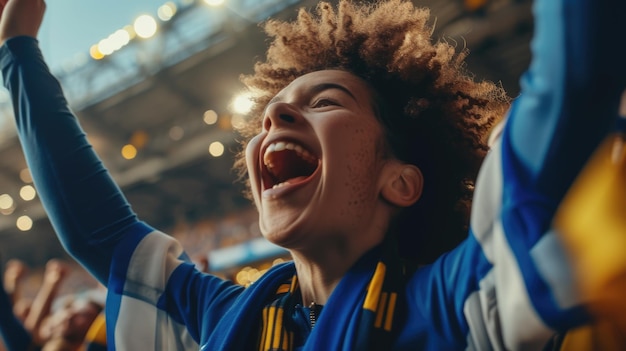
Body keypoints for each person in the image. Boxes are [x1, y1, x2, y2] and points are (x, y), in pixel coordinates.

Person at [0, 0, 624, 349]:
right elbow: (104, 234)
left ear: (400, 181)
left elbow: (572, 91)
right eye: (272, 112)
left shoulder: (449, 304)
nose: (274, 114)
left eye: (326, 100)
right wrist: (18, 50)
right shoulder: (227, 316)